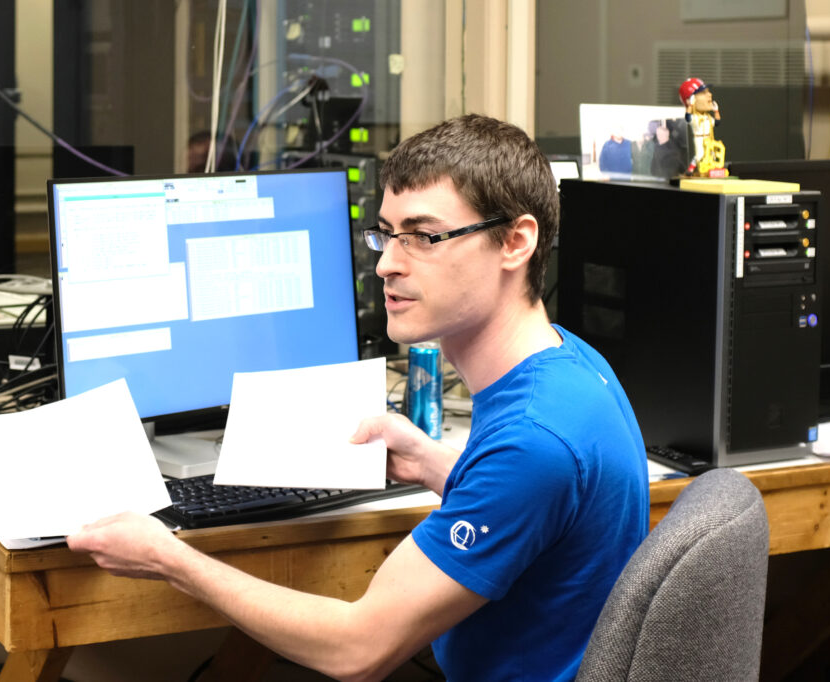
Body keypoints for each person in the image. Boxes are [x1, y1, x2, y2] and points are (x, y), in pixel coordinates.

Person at [68, 114, 650, 681]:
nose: (386, 264)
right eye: (386, 234)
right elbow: (550, 509)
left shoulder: (533, 441)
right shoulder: (569, 363)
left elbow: (358, 649)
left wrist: (167, 559)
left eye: (423, 236)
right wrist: (433, 464)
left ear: (516, 242)